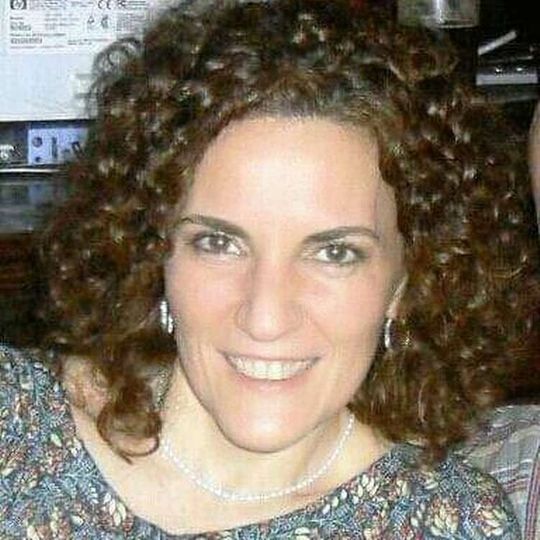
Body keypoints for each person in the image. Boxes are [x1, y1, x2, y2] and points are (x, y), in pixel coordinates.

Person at [1, 0, 538, 537]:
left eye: (334, 253)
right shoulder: (15, 426)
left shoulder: (450, 524)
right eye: (218, 243)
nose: (265, 317)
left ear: (410, 280)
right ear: (155, 250)